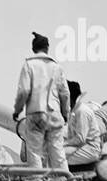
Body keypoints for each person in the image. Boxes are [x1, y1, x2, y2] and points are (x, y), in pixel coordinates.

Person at [11, 31, 71, 172]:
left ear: (33, 48)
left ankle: (37, 180)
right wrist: (65, 113)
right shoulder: (57, 67)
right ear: (47, 48)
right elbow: (65, 94)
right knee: (58, 151)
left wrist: (17, 110)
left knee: (34, 151)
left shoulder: (29, 65)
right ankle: (64, 179)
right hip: (55, 113)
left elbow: (24, 91)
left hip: (36, 114)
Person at [63, 81, 105, 166]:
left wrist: (62, 144)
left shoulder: (82, 111)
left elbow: (80, 139)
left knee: (56, 154)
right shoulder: (74, 111)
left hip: (89, 149)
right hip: (81, 147)